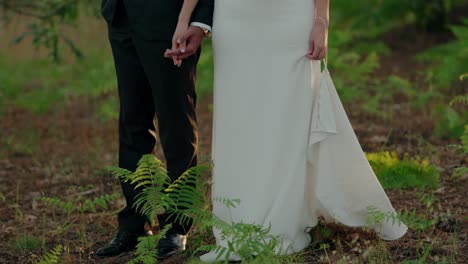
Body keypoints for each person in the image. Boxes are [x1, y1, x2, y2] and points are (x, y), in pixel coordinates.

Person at [167, 0, 409, 262]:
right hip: (236, 20)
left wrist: (321, 21)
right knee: (239, 121)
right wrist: (184, 20)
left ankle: (283, 224)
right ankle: (236, 226)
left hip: (290, 17)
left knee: (287, 118)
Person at [95, 0, 214, 259]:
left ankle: (177, 225)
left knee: (177, 127)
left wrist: (200, 22)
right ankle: (134, 225)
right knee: (132, 122)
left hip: (169, 21)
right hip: (121, 16)